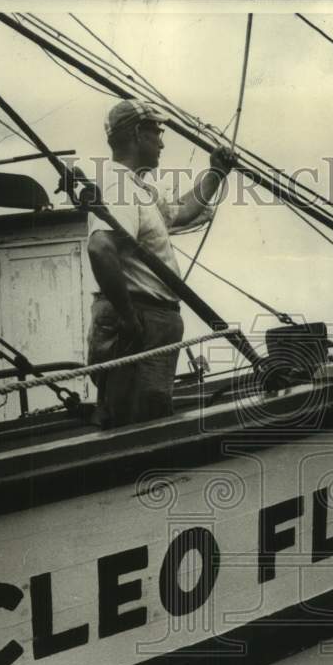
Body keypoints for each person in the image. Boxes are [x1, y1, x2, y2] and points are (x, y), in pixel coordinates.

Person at [84, 99, 236, 428]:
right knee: (139, 425)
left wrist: (216, 173)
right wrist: (128, 318)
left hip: (151, 321)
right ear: (139, 134)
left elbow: (181, 212)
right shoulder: (118, 187)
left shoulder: (139, 189)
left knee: (148, 414)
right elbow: (100, 248)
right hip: (140, 322)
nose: (162, 142)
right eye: (157, 132)